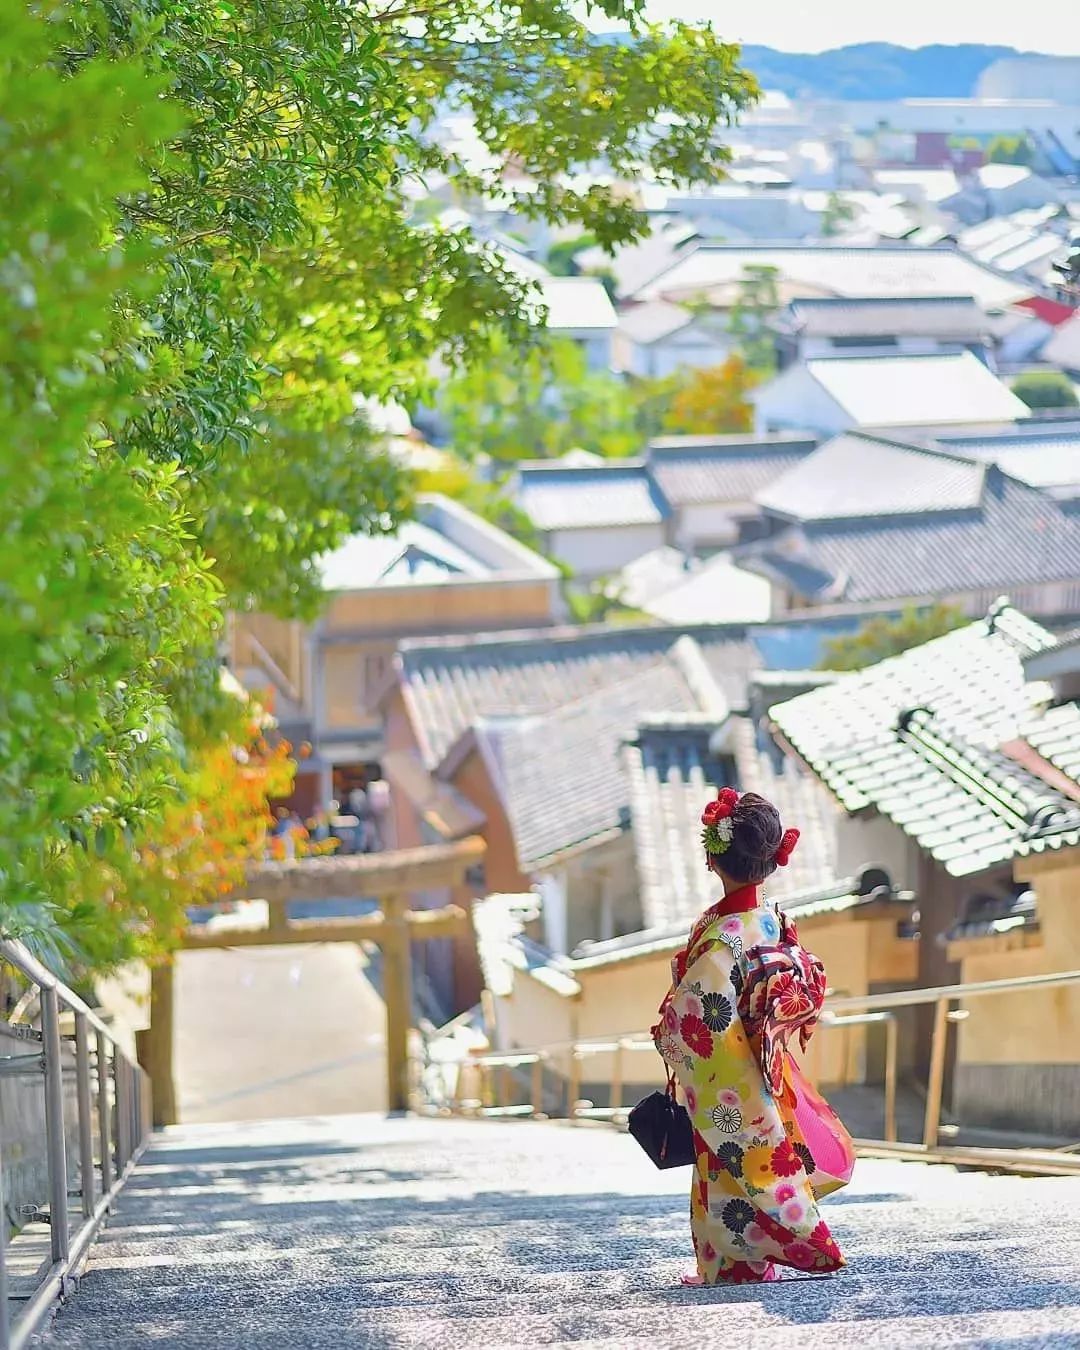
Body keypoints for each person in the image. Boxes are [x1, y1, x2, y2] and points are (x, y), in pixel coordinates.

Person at [653, 787, 849, 1286]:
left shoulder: (726, 935)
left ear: (713, 858)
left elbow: (699, 1017)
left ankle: (736, 1265)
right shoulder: (769, 920)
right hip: (763, 1060)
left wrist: (670, 1029)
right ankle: (742, 1261)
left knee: (731, 1161)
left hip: (731, 1067)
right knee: (753, 1159)